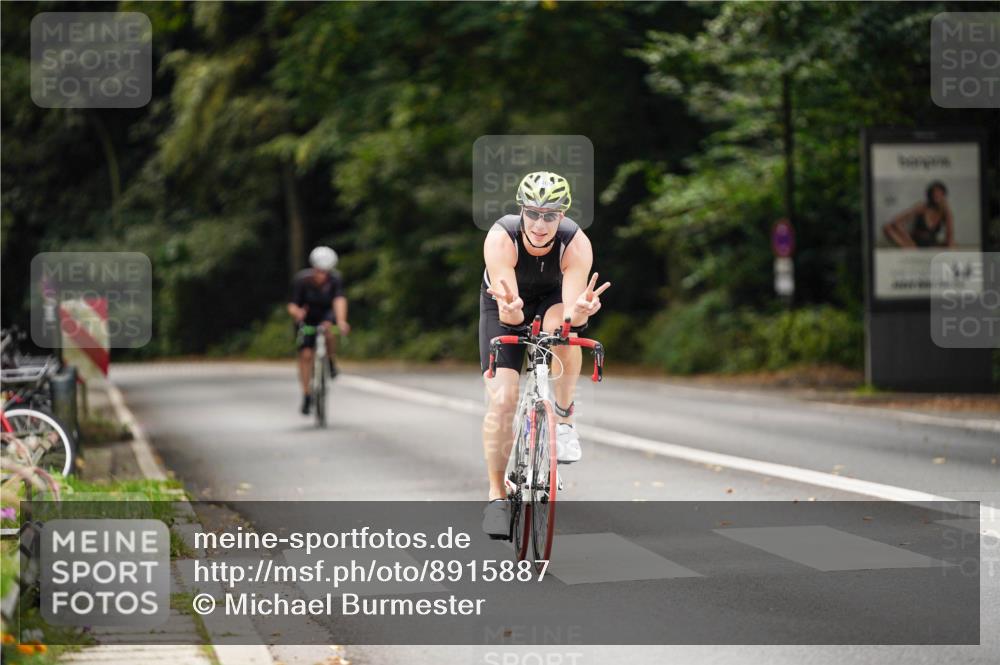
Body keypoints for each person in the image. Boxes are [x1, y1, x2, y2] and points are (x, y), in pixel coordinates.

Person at [479, 171, 610, 538]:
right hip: (505, 305)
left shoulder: (575, 244)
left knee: (564, 334)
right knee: (503, 401)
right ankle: (495, 498)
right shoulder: (501, 238)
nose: (540, 223)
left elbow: (569, 311)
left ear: (563, 216)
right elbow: (512, 317)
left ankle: (564, 421)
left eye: (550, 215)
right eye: (533, 213)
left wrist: (580, 312)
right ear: (521, 210)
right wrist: (513, 309)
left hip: (552, 301)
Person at [287, 246, 350, 415]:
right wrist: (297, 313)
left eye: (325, 271)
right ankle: (307, 394)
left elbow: (339, 300)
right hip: (306, 318)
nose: (322, 275)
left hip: (326, 315)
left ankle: (330, 360)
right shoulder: (302, 280)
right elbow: (292, 304)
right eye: (319, 271)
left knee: (329, 331)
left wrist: (342, 321)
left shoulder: (335, 280)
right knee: (306, 355)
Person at [882, 181, 955, 249]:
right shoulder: (922, 207)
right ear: (929, 195)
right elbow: (896, 221)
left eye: (939, 193)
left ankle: (916, 250)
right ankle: (911, 248)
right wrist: (908, 239)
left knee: (952, 245)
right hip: (914, 242)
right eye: (934, 193)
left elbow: (950, 234)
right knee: (887, 227)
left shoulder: (945, 211)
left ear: (943, 195)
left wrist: (947, 211)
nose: (936, 195)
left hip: (932, 244)